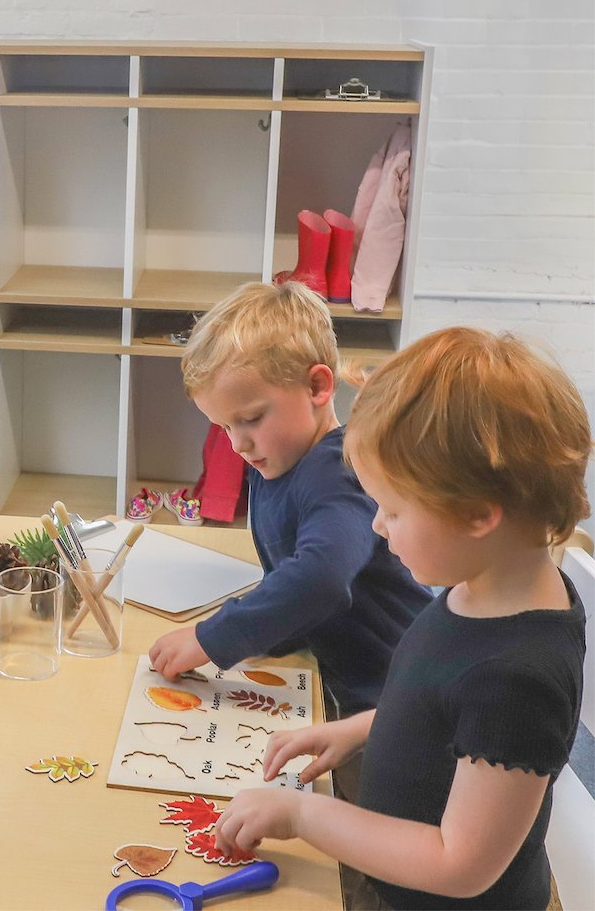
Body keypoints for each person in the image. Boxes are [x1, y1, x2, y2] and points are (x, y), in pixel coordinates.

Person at [214, 327, 590, 910]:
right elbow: (443, 704)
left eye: (392, 510)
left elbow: (459, 866)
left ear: (476, 515)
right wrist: (358, 730)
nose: (376, 526)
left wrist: (303, 815)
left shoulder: (517, 678)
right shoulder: (484, 585)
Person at [149, 281, 431, 722]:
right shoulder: (277, 458)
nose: (238, 444)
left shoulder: (338, 473)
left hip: (392, 698)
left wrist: (211, 638)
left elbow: (321, 578)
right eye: (224, 427)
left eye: (251, 419)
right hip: (335, 675)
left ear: (317, 386)